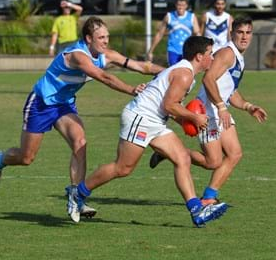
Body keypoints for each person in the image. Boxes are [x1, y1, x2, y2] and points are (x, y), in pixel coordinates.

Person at [0, 16, 164, 220]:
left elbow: (143, 67)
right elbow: (104, 78)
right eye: (101, 37)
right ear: (89, 38)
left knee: (80, 142)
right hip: (41, 103)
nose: (106, 41)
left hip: (64, 105)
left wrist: (171, 72)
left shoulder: (107, 55)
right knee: (27, 158)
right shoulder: (78, 56)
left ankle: (76, 197)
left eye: (107, 36)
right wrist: (131, 89)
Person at [71, 36, 229, 227]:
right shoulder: (185, 75)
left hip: (155, 121)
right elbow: (169, 105)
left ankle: (196, 210)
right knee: (123, 168)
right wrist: (194, 118)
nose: (212, 58)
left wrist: (184, 121)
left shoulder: (187, 74)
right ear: (198, 56)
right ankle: (78, 192)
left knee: (182, 159)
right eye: (210, 54)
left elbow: (169, 106)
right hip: (140, 118)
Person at [150, 17, 268, 207]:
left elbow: (231, 90)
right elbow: (209, 79)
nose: (244, 36)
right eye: (240, 32)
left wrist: (248, 107)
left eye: (248, 32)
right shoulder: (227, 54)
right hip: (207, 111)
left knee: (235, 154)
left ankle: (208, 197)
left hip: (220, 111)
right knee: (213, 162)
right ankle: (169, 153)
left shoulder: (238, 57)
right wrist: (221, 107)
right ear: (232, 33)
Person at [147, 0, 200, 66]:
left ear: (186, 6)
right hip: (173, 50)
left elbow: (197, 34)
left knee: (187, 72)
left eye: (183, 5)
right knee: (174, 72)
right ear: (175, 5)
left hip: (187, 51)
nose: (181, 7)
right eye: (179, 5)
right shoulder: (169, 16)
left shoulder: (192, 17)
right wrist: (151, 51)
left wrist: (200, 49)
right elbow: (159, 34)